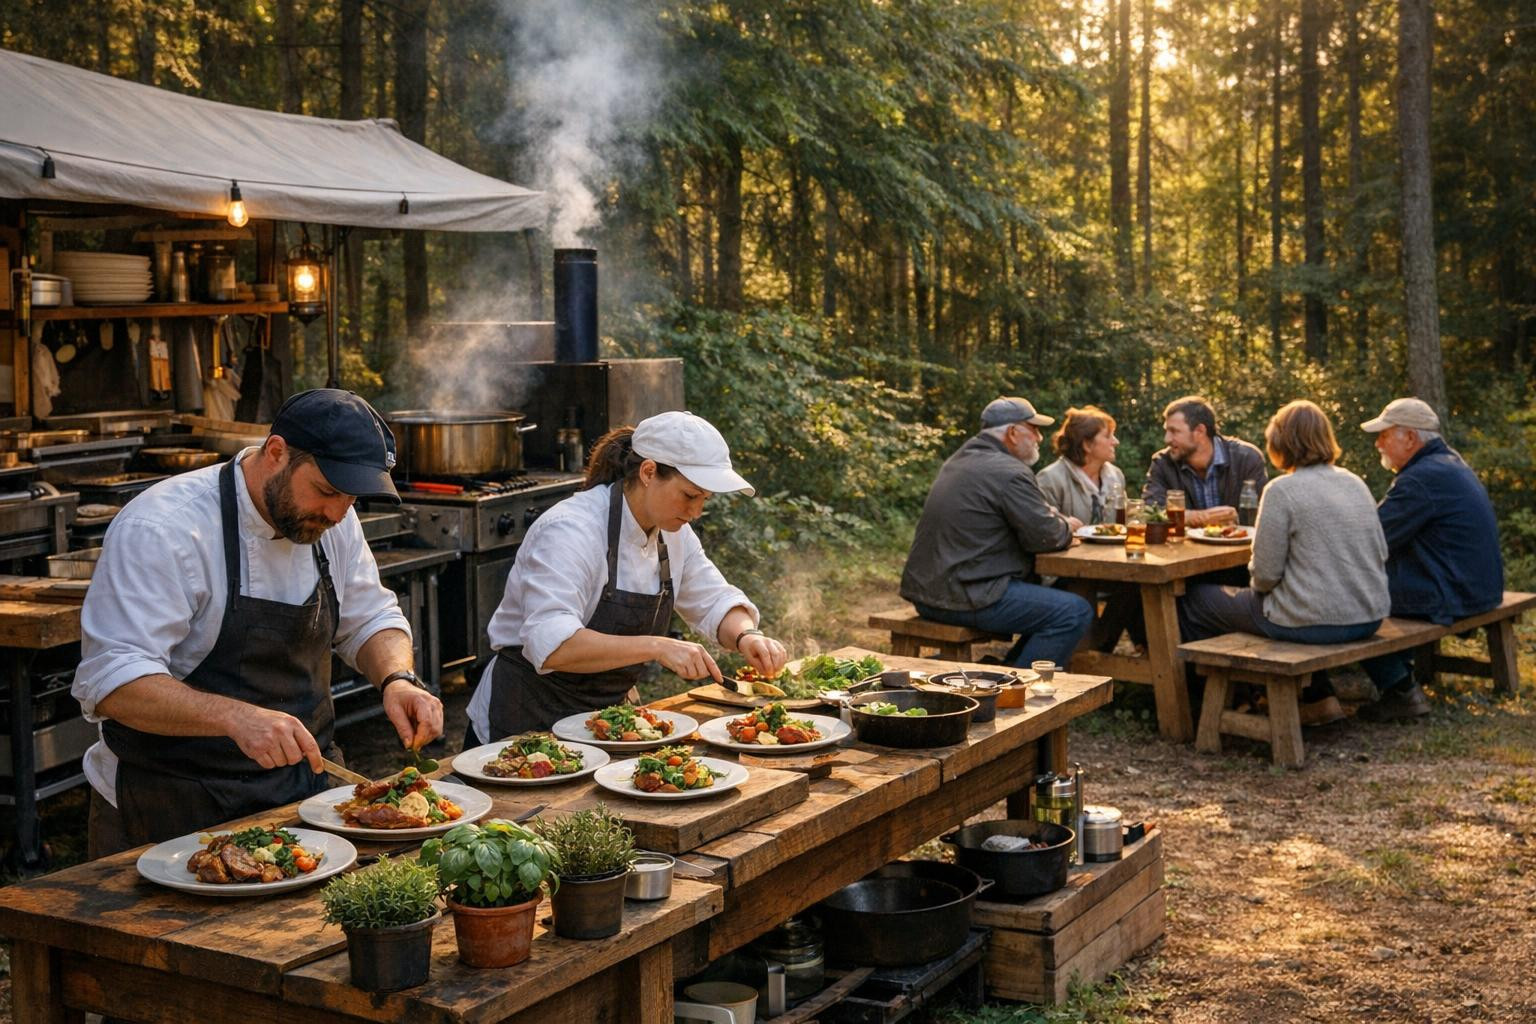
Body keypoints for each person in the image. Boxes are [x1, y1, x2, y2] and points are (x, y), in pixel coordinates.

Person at [73, 389, 444, 857]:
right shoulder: (163, 529)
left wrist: (397, 679)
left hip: (303, 796)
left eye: (351, 497)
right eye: (328, 490)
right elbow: (112, 681)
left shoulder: (335, 520)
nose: (337, 512)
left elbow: (369, 617)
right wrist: (234, 717)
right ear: (276, 453)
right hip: (172, 804)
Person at [465, 411, 788, 744]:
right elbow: (552, 646)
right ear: (649, 472)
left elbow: (713, 599)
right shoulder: (569, 530)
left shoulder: (673, 533)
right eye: (690, 495)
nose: (695, 512)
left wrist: (747, 635)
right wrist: (657, 647)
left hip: (604, 725)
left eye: (705, 499)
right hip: (524, 721)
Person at [1178, 400, 1390, 725]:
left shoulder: (1282, 490)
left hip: (1312, 621)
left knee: (1194, 600)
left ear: (1282, 443)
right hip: (1369, 614)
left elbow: (1264, 576)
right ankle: (1315, 698)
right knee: (1268, 603)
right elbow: (1380, 551)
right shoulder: (1354, 482)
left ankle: (1208, 707)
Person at [899, 397, 1094, 669]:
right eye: (1034, 429)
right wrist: (1067, 527)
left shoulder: (960, 460)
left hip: (929, 591)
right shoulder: (1009, 471)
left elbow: (1030, 516)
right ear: (1012, 433)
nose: (1039, 437)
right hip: (966, 594)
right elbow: (1045, 536)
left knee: (1065, 590)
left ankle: (1005, 673)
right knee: (1073, 612)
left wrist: (1052, 520)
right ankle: (1013, 694)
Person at [1355, 398, 1505, 720]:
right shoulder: (1448, 464)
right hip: (1478, 587)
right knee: (1373, 581)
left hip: (1452, 593)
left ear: (1410, 438)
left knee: (1349, 594)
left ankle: (1399, 687)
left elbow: (1372, 540)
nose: (1377, 443)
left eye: (1384, 434)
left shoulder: (1420, 480)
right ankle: (1392, 673)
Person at [1144, 395, 1268, 526]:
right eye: (1167, 431)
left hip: (1239, 544)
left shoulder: (1247, 458)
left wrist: (1235, 520)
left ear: (1200, 431)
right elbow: (1149, 512)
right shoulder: (1162, 463)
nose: (1167, 439)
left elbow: (1265, 514)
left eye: (1174, 431)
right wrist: (1200, 518)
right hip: (1185, 546)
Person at [1036, 405, 1127, 525]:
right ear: (1087, 444)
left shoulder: (1116, 476)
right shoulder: (1050, 479)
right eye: (1108, 436)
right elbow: (1044, 529)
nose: (1115, 442)